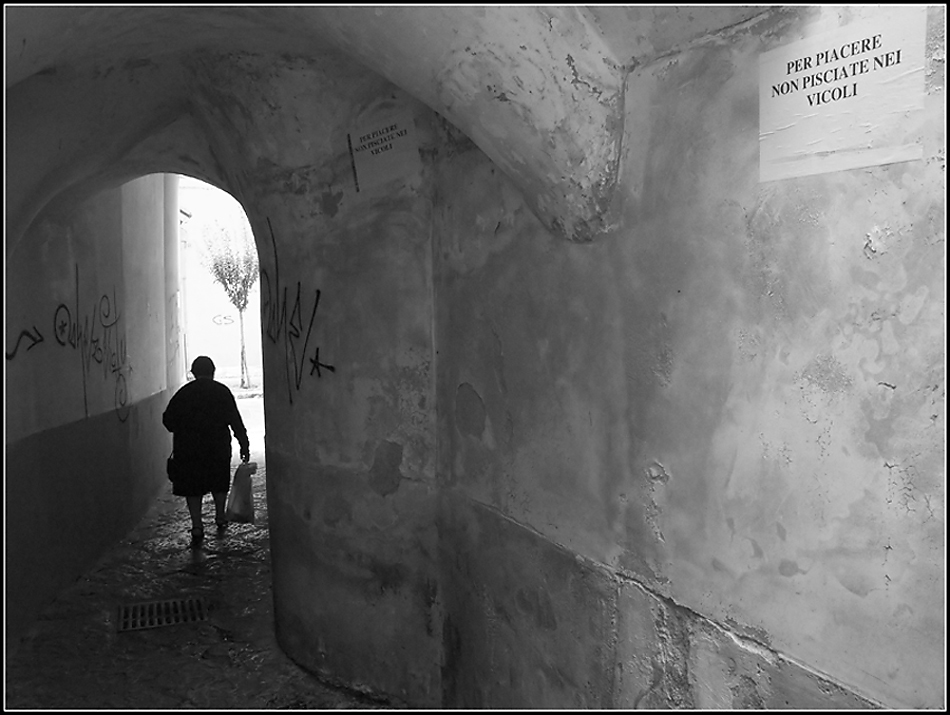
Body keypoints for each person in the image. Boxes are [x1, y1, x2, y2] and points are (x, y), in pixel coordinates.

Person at [163, 355, 250, 547]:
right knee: (219, 481)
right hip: (217, 446)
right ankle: (220, 516)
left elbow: (168, 420)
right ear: (213, 372)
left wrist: (184, 428)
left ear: (194, 372)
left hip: (189, 447)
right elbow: (235, 420)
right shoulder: (222, 392)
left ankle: (197, 525)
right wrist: (244, 444)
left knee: (193, 486)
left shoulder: (183, 393)